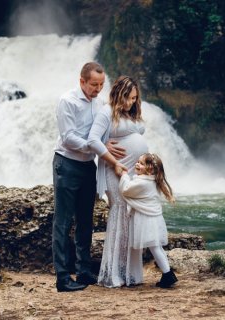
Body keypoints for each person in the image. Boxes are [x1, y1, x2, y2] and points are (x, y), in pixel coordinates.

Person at [52, 62, 125, 292]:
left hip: (87, 167)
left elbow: (102, 134)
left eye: (102, 85)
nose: (98, 89)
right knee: (63, 223)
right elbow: (68, 138)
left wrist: (105, 145)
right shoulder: (67, 101)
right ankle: (63, 278)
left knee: (86, 220)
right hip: (67, 164)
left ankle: (83, 271)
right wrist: (97, 147)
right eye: (94, 84)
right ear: (82, 81)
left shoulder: (100, 103)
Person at [87, 75, 147, 287]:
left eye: (134, 99)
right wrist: (113, 161)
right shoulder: (106, 111)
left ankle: (130, 273)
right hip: (116, 170)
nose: (131, 102)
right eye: (129, 98)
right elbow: (93, 139)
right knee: (120, 213)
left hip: (132, 171)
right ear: (119, 93)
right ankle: (113, 273)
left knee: (131, 216)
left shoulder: (129, 113)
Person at [119, 153, 178, 288]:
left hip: (146, 221)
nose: (137, 164)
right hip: (154, 220)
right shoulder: (153, 181)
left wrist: (124, 175)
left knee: (155, 248)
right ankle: (167, 274)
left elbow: (125, 190)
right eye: (137, 161)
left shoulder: (142, 183)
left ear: (150, 169)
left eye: (141, 163)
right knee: (157, 247)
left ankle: (168, 275)